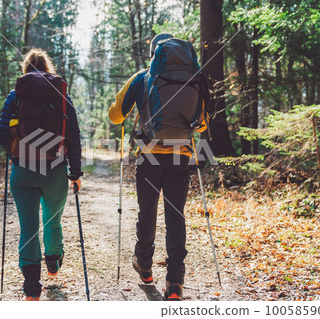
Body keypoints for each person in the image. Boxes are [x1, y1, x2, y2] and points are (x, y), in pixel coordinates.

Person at [109, 33, 198, 301]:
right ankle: (175, 283)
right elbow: (202, 123)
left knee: (147, 211)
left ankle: (145, 267)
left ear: (153, 55)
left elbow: (115, 117)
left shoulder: (142, 78)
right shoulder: (192, 78)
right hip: (180, 155)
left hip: (149, 155)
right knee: (175, 215)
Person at [0, 48, 82, 301]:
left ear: (25, 69)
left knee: (28, 227)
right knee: (52, 221)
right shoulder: (62, 96)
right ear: (48, 68)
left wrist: (18, 147)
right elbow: (74, 137)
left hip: (22, 171)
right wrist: (75, 172)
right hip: (54, 170)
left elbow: (2, 137)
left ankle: (31, 287)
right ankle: (53, 262)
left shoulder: (15, 97)